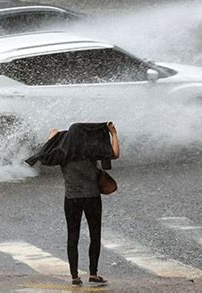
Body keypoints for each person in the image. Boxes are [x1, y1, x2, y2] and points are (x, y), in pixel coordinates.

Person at [49, 122, 120, 286]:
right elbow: (115, 154)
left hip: (71, 199)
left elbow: (45, 153)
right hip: (92, 198)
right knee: (95, 236)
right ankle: (93, 273)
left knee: (72, 237)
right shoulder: (91, 152)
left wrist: (53, 136)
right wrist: (114, 134)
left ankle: (74, 276)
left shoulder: (62, 153)